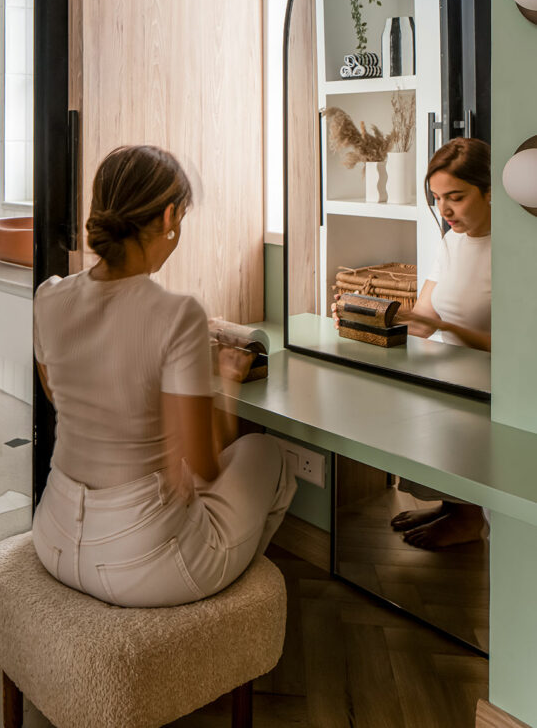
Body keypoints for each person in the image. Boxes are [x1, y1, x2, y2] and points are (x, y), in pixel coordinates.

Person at [32, 144, 295, 607]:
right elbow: (208, 462)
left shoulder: (50, 296)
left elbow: (59, 394)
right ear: (170, 217)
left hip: (51, 536)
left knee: (176, 475)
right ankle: (231, 611)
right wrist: (228, 382)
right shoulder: (177, 315)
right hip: (144, 566)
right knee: (266, 452)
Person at [332, 137, 492, 548]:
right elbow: (424, 320)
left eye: (456, 197)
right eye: (438, 198)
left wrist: (441, 328)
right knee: (403, 397)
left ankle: (469, 517)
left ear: (489, 192)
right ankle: (454, 505)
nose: (445, 210)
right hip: (451, 369)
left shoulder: (514, 251)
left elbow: (513, 348)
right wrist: (368, 320)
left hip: (494, 383)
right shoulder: (453, 239)